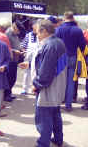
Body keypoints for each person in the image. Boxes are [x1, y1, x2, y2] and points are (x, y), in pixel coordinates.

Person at [33, 19, 67, 147]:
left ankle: (43, 143)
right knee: (55, 114)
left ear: (45, 31)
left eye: (38, 32)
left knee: (44, 117)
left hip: (49, 87)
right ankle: (58, 139)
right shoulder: (58, 42)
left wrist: (36, 84)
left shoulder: (50, 45)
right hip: (58, 86)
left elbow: (45, 72)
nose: (37, 35)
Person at [55, 11, 86, 112]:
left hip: (60, 57)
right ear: (73, 18)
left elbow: (55, 44)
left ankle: (58, 104)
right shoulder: (78, 30)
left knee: (59, 81)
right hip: (73, 57)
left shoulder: (58, 30)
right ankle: (68, 105)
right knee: (71, 82)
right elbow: (83, 46)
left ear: (64, 18)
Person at [5, 20, 25, 102]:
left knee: (13, 78)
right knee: (9, 78)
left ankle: (9, 93)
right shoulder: (8, 34)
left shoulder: (15, 34)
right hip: (10, 59)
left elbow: (17, 44)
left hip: (15, 59)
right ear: (14, 27)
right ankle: (6, 95)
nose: (19, 32)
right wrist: (14, 51)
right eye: (18, 30)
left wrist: (21, 49)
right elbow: (6, 47)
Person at [20, 20, 38, 95]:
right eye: (35, 25)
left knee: (35, 73)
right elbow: (23, 46)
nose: (36, 27)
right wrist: (24, 52)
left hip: (36, 57)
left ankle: (34, 89)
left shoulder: (39, 35)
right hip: (28, 57)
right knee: (26, 74)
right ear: (32, 26)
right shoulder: (28, 35)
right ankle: (24, 89)